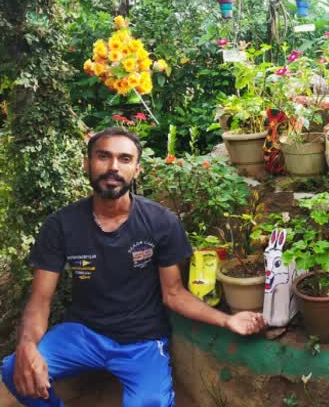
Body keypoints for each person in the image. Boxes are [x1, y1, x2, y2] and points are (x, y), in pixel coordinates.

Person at [1, 127, 266, 406]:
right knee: (14, 369)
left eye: (124, 159)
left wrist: (227, 320)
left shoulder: (160, 222)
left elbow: (173, 293)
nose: (113, 167)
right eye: (103, 156)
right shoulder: (61, 225)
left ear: (136, 170)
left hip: (142, 341)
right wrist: (28, 346)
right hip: (82, 334)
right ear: (87, 164)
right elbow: (41, 299)